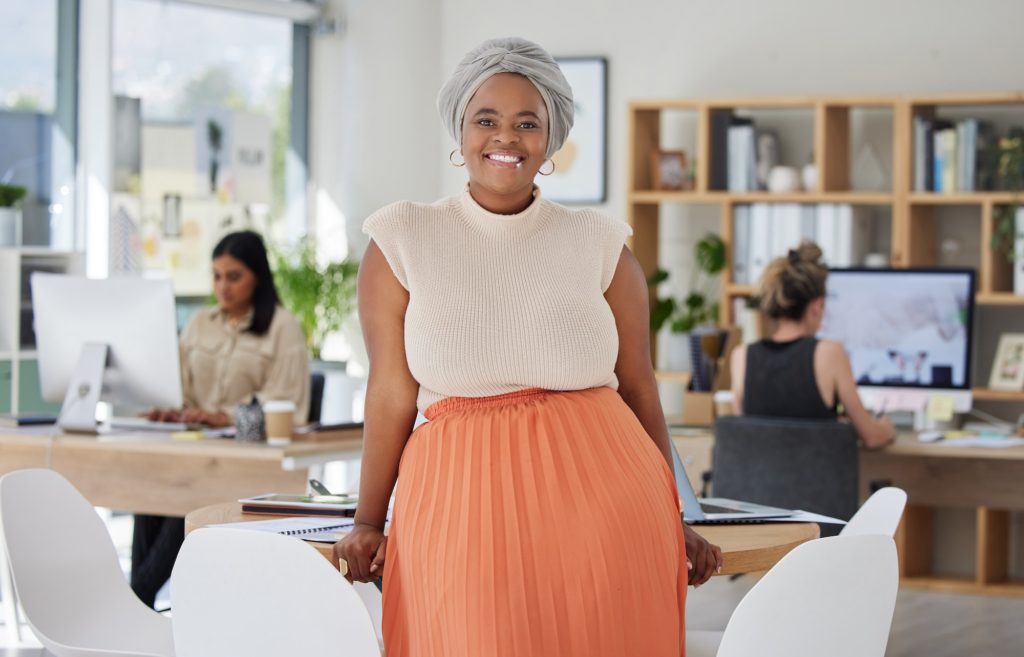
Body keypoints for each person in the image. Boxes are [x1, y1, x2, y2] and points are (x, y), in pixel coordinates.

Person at [333, 37, 721, 657]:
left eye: (527, 123)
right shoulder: (403, 236)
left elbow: (639, 387)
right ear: (460, 131)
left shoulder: (600, 243)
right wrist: (366, 521)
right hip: (460, 507)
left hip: (610, 507)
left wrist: (678, 518)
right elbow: (389, 394)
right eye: (486, 119)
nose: (505, 138)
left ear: (550, 139)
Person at [134, 230, 310, 608]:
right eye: (216, 276)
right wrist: (170, 408)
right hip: (191, 451)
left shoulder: (282, 328)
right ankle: (138, 603)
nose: (222, 287)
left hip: (245, 464)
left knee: (183, 496)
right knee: (148, 491)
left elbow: (289, 403)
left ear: (257, 277)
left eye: (233, 276)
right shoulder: (199, 323)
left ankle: (135, 601)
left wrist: (224, 417)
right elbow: (178, 386)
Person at [729, 240, 896, 449]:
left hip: (757, 471)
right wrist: (887, 427)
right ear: (817, 306)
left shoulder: (741, 356)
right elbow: (871, 437)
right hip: (817, 471)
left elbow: (749, 435)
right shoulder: (829, 353)